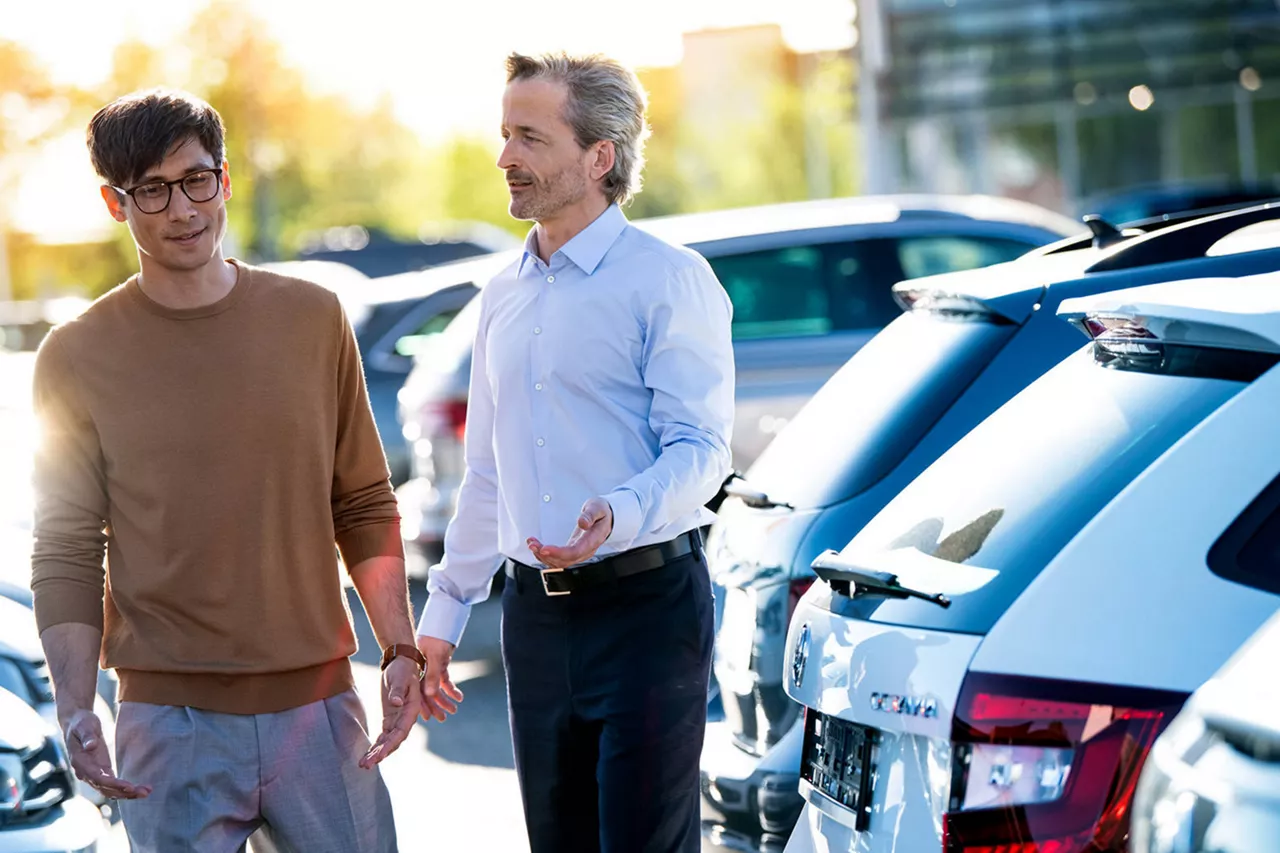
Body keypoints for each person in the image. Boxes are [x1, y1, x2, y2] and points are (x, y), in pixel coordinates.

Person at [30, 88, 421, 852]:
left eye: (196, 179)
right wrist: (78, 704)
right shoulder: (76, 355)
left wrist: (399, 647)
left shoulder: (313, 318)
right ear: (117, 203)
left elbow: (365, 503)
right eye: (152, 189)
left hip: (317, 707)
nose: (182, 209)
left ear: (227, 179)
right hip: (167, 728)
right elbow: (69, 546)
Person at [414, 52, 735, 852]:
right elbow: (486, 473)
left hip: (648, 611)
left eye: (529, 136)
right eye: (504, 134)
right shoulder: (501, 296)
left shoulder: (670, 280)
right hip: (535, 620)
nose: (505, 158)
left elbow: (702, 450)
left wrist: (619, 510)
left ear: (599, 157)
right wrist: (444, 615)